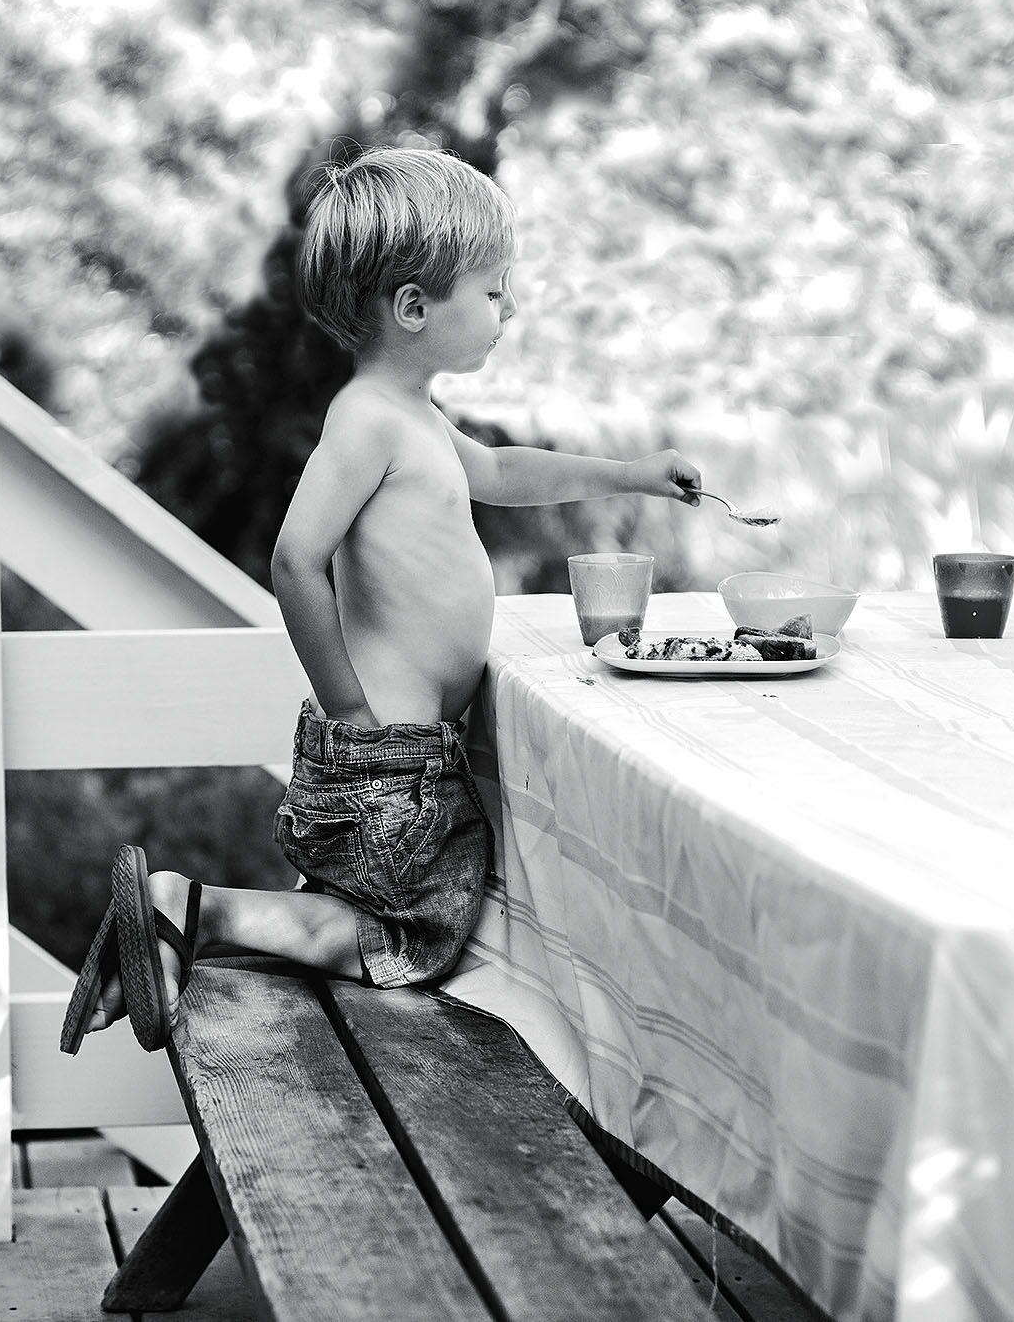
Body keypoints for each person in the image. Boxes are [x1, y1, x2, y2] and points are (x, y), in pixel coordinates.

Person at [62, 145, 703, 1054]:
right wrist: (351, 705)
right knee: (413, 933)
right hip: (387, 753)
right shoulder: (367, 420)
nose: (508, 307)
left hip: (400, 753)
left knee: (373, 918)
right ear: (412, 307)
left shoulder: (416, 417)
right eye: (492, 290)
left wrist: (630, 473)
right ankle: (187, 909)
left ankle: (173, 925)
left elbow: (504, 472)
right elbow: (295, 559)